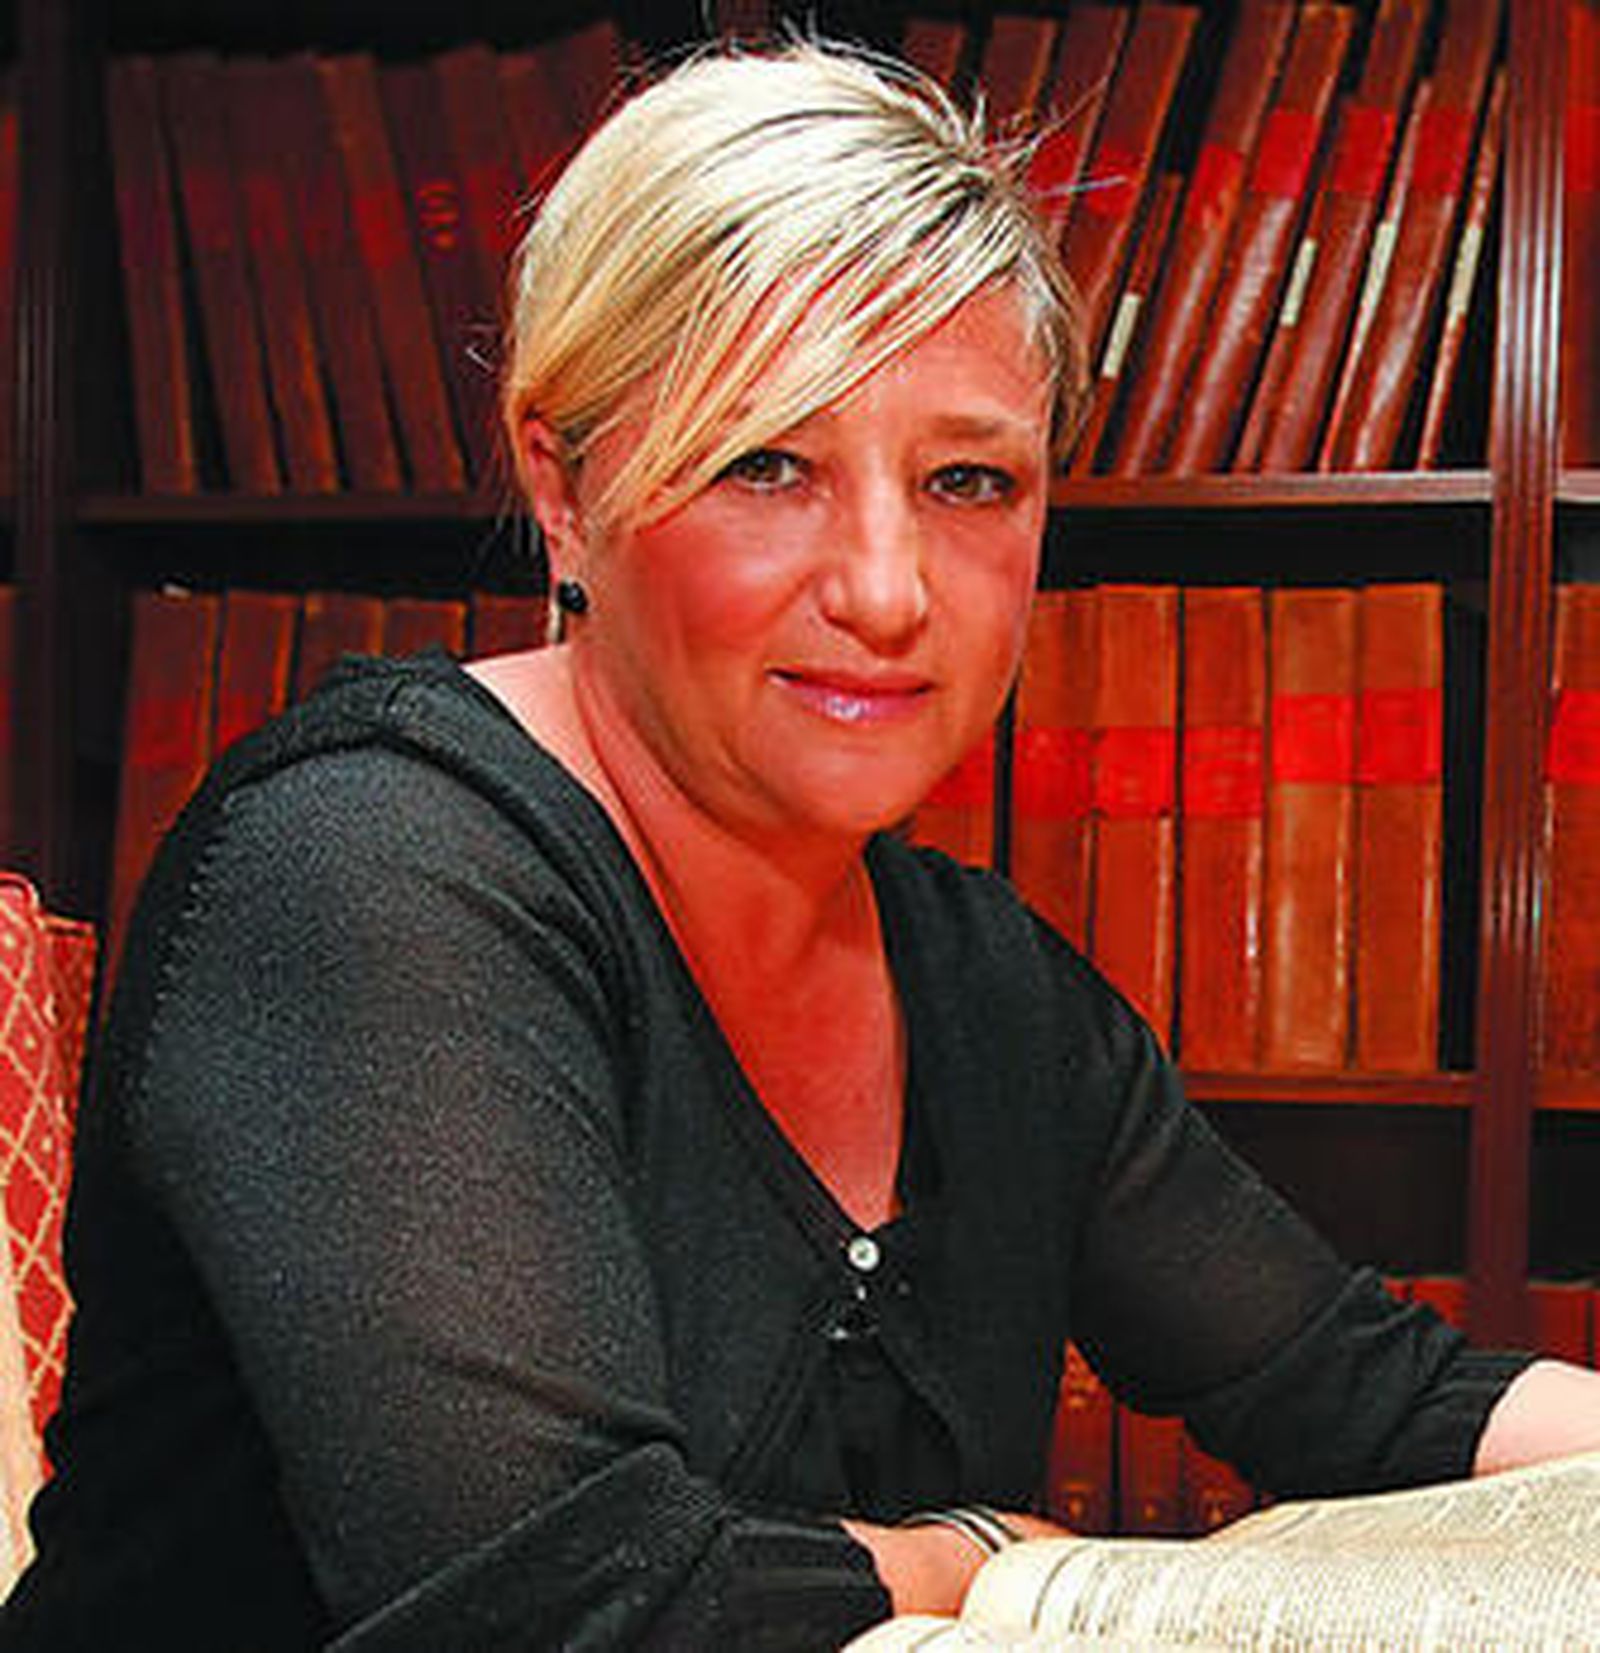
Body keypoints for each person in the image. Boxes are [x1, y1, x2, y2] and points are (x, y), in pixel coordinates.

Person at [5, 38, 1600, 1652]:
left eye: (969, 479)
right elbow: (559, 1603)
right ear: (563, 485)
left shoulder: (983, 983)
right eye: (768, 463)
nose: (888, 591)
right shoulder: (360, 866)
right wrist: (980, 1561)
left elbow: (1367, 1390)